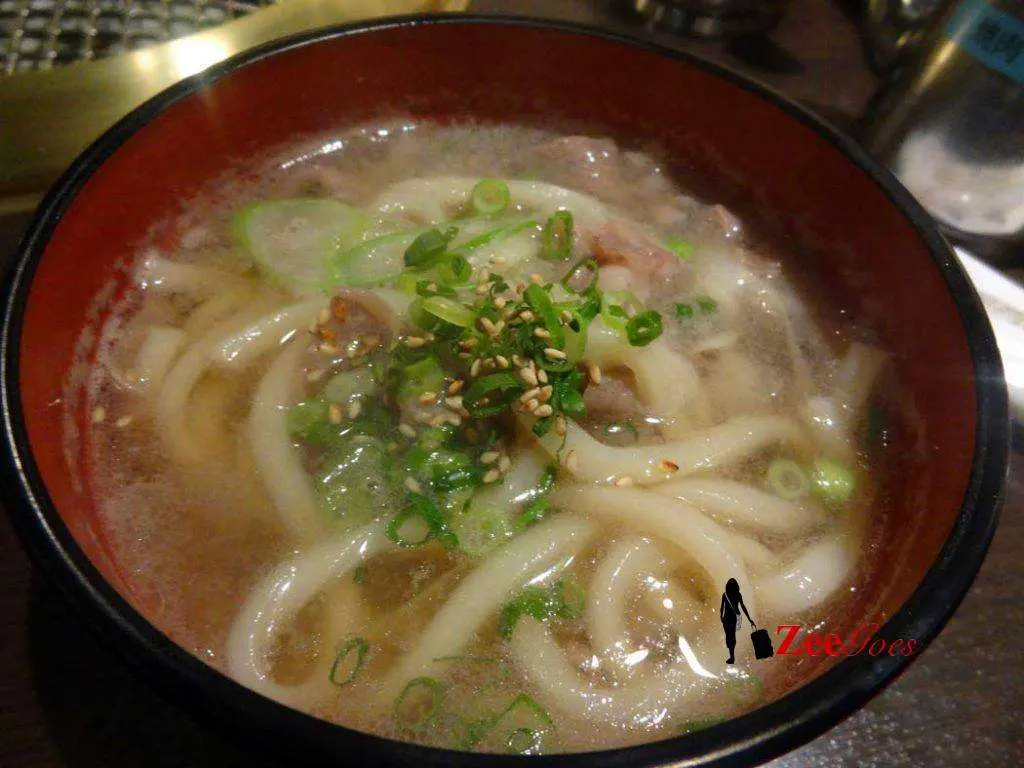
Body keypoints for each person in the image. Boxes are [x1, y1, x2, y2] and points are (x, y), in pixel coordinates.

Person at [720, 578, 754, 664]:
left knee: (728, 635)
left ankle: (731, 656)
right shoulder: (738, 594)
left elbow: (721, 608)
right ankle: (732, 655)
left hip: (727, 618)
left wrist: (721, 617)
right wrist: (749, 619)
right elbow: (743, 607)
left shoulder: (725, 595)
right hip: (734, 618)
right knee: (732, 635)